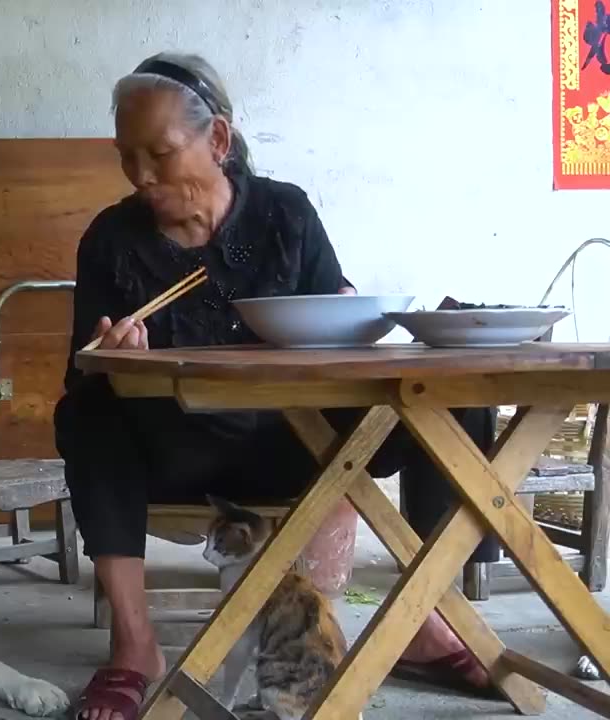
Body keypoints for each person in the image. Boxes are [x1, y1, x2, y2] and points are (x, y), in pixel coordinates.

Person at [56, 52, 501, 720]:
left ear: (219, 140)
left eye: (159, 153)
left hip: (303, 439)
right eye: (126, 155)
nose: (141, 175)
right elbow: (79, 366)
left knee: (458, 393)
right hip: (182, 450)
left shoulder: (285, 213)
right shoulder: (112, 240)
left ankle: (425, 615)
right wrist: (112, 360)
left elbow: (338, 327)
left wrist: (349, 313)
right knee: (87, 410)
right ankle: (133, 646)